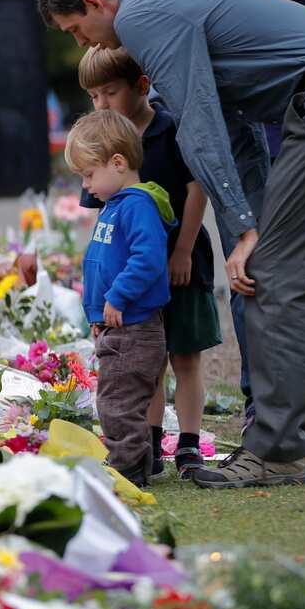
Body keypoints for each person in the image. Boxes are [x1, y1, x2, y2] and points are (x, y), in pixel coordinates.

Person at [37, 0, 305, 488]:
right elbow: (239, 128)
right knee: (288, 276)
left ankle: (280, 451)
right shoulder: (160, 1)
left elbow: (198, 125)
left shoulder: (140, 15)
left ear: (94, 2)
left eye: (73, 28)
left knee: (274, 272)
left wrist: (249, 230)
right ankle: (301, 447)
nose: (81, 42)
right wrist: (245, 224)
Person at [183, 0, 305, 433]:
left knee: (293, 275)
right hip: (238, 134)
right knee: (245, 273)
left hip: (303, 123)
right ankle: (261, 404)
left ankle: (301, 408)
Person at [77, 47, 221, 479]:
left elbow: (198, 189)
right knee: (147, 362)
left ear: (140, 85)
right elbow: (102, 224)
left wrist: (181, 251)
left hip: (181, 260)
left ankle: (190, 445)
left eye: (110, 92)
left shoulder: (170, 129)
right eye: (93, 96)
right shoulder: (101, 146)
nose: (102, 103)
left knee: (185, 355)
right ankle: (151, 443)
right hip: (134, 281)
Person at [66, 109, 173, 485]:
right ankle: (135, 463)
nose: (86, 184)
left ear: (118, 162)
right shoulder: (115, 206)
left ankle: (127, 466)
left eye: (89, 174)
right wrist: (97, 315)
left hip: (135, 325)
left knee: (119, 401)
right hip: (116, 325)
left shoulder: (137, 205)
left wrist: (118, 296)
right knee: (115, 397)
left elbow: (148, 259)